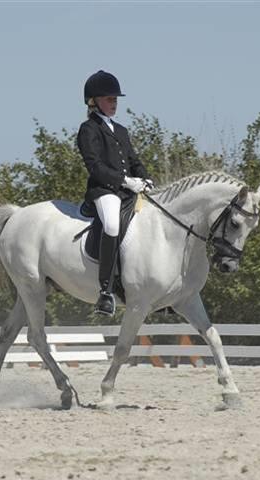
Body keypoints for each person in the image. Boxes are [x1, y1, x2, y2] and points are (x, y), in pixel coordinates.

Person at [77, 70, 153, 316]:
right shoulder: (88, 129)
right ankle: (106, 292)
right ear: (94, 101)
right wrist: (125, 181)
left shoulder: (120, 130)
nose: (114, 103)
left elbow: (133, 159)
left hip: (127, 191)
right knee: (111, 225)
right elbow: (95, 166)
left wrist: (145, 177)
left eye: (115, 99)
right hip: (104, 191)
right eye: (109, 99)